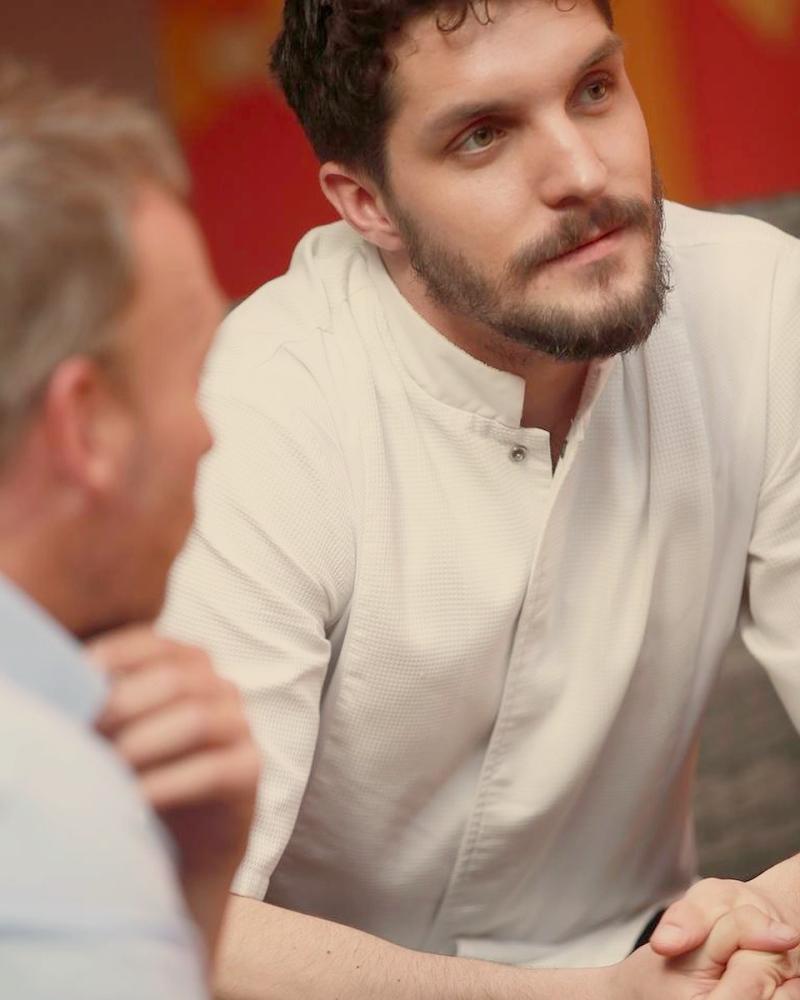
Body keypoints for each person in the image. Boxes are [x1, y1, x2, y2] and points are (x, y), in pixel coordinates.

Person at [161, 0, 800, 996]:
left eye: (593, 89)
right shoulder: (257, 417)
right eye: (481, 136)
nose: (581, 172)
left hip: (654, 948)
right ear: (365, 203)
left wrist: (755, 930)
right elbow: (175, 917)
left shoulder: (758, 304)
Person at [0, 62, 260, 998]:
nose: (208, 433)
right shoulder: (56, 833)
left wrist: (193, 888)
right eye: (194, 372)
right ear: (86, 426)